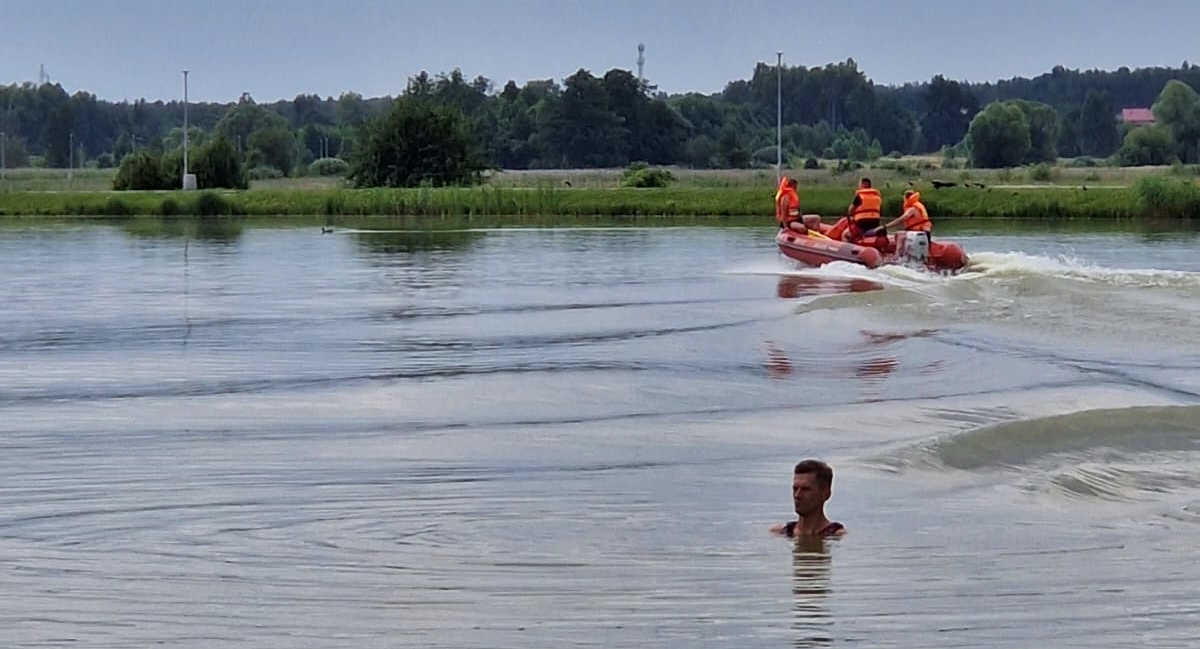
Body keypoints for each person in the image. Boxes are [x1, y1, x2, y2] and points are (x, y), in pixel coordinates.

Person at [770, 459, 846, 538]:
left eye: (805, 489)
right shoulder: (780, 533)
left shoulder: (837, 536)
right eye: (795, 489)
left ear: (825, 494)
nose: (797, 495)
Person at [842, 177, 882, 243]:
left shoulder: (860, 195)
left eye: (859, 184)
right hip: (875, 223)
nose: (858, 186)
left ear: (863, 184)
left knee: (845, 234)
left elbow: (850, 210)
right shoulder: (877, 196)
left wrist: (852, 215)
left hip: (862, 224)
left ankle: (846, 248)